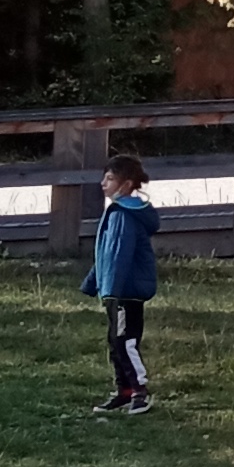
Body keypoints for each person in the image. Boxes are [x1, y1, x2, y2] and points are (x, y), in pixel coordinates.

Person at [84, 155, 160, 414]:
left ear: (126, 184)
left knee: (125, 341)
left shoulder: (124, 215)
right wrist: (93, 281)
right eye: (104, 177)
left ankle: (140, 392)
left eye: (110, 178)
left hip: (125, 293)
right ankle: (124, 391)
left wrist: (112, 291)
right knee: (115, 340)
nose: (103, 183)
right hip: (116, 291)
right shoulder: (117, 211)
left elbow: (119, 254)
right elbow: (105, 253)